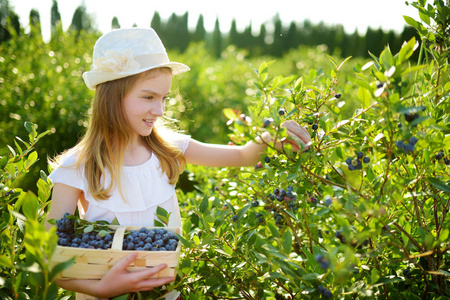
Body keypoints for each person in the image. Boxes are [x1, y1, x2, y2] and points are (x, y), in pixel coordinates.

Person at [45, 28, 311, 299]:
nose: (159, 110)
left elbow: (241, 156)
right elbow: (50, 255)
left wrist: (273, 135)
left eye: (164, 98)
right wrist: (102, 288)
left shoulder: (168, 149)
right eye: (148, 97)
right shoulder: (77, 167)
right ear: (112, 97)